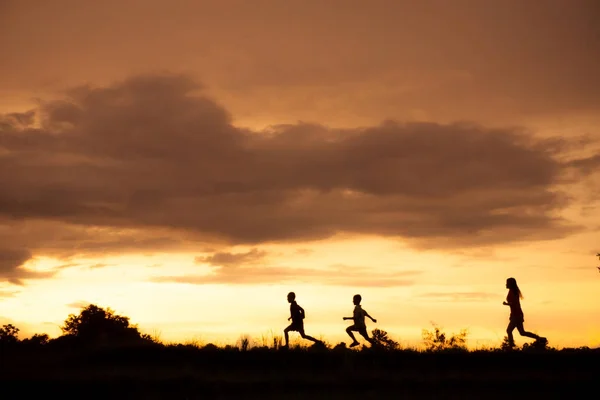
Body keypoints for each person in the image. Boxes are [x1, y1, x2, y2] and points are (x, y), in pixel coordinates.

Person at [503, 277, 546, 347]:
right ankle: (539, 338)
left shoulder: (513, 292)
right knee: (522, 332)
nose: (506, 284)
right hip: (516, 314)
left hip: (516, 315)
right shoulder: (512, 291)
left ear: (510, 284)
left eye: (507, 283)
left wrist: (506, 304)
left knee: (509, 330)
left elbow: (514, 303)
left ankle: (511, 346)